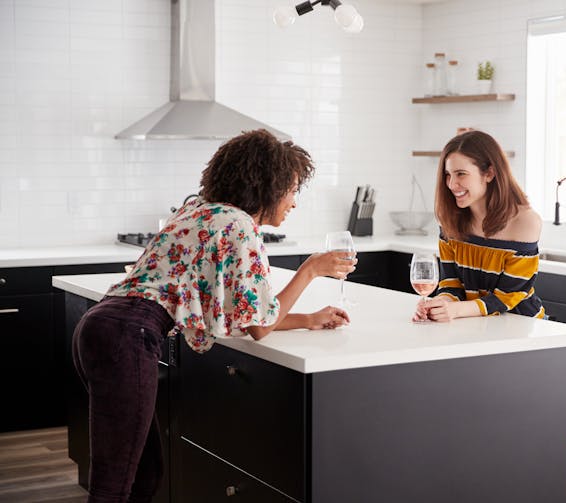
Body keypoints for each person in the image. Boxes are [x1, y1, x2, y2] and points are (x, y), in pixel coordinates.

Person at [72, 129, 356, 502]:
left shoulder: (200, 210)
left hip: (102, 327)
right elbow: (259, 327)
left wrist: (307, 319)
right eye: (290, 189)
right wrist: (310, 270)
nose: (293, 201)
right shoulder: (238, 225)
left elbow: (244, 316)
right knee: (116, 483)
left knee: (143, 472)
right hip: (129, 337)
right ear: (268, 186)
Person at [413, 129, 566, 502]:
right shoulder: (451, 218)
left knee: (546, 416)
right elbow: (451, 280)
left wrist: (456, 309)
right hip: (473, 327)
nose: (452, 184)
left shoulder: (525, 220)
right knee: (481, 417)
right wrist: (439, 303)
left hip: (523, 329)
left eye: (461, 174)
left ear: (490, 172)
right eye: (447, 174)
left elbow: (510, 294)